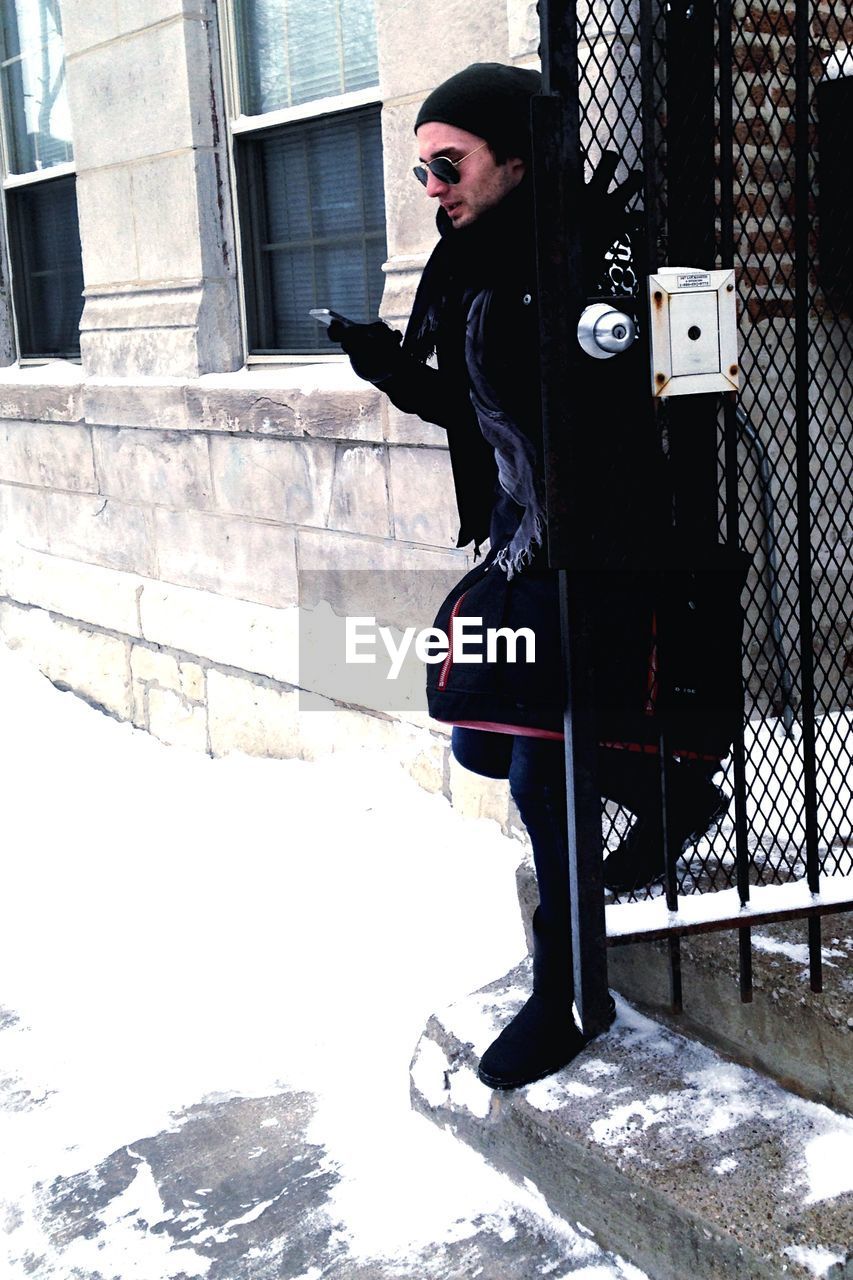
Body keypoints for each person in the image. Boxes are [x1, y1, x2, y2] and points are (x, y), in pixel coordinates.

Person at [328, 63, 730, 1089]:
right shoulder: (470, 265)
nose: (435, 189)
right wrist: (386, 366)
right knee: (475, 734)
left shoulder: (588, 247)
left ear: (516, 157)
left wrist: (595, 326)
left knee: (537, 763)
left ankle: (571, 992)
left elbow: (626, 395)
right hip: (524, 531)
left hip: (604, 539)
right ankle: (673, 794)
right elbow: (476, 410)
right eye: (422, 170)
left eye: (449, 165)